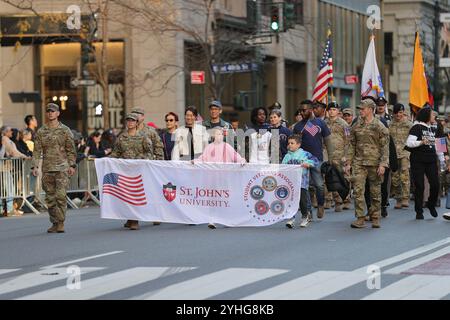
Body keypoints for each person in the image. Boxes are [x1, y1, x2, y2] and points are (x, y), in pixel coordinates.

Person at [344, 99, 389, 229]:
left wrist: (383, 164)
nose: (360, 111)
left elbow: (385, 147)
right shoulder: (356, 125)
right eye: (360, 109)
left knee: (375, 192)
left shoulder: (379, 126)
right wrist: (348, 163)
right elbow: (351, 145)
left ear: (370, 109)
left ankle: (375, 217)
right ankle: (360, 218)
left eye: (363, 109)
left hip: (375, 163)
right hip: (359, 163)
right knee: (358, 191)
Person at [32, 103, 77, 233]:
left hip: (62, 169)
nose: (50, 113)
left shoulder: (65, 130)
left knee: (61, 196)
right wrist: (35, 166)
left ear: (58, 113)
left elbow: (71, 150)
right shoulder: (41, 131)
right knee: (50, 198)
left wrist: (72, 165)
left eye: (53, 111)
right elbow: (37, 150)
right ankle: (54, 222)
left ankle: (61, 222)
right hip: (47, 169)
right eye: (48, 111)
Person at [194, 128, 246, 229]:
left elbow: (236, 156)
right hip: (212, 178)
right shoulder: (209, 147)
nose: (219, 136)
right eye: (217, 134)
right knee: (213, 199)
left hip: (225, 178)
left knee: (226, 198)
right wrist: (195, 161)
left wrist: (242, 160)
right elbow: (202, 158)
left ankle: (228, 219)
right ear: (213, 136)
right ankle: (212, 220)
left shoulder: (227, 147)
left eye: (221, 134)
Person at [110, 113, 154, 230]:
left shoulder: (143, 137)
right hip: (125, 171)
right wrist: (108, 160)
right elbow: (116, 152)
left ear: (136, 123)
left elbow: (149, 153)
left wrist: (141, 160)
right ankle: (130, 218)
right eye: (128, 121)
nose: (130, 123)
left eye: (132, 121)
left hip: (138, 171)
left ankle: (135, 220)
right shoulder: (121, 137)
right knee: (126, 195)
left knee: (135, 195)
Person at [293, 100, 334, 219]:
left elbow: (328, 140)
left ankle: (321, 205)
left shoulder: (320, 123)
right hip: (302, 160)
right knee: (304, 187)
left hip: (317, 159)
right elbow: (294, 144)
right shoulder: (298, 126)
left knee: (319, 185)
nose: (301, 112)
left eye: (304, 110)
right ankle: (308, 212)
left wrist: (331, 158)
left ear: (310, 110)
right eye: (300, 110)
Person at [406, 106, 440, 220]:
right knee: (419, 186)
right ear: (426, 116)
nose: (434, 116)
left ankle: (431, 203)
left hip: (431, 160)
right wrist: (421, 142)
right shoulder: (417, 127)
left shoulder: (435, 127)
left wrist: (444, 159)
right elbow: (409, 143)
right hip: (418, 161)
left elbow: (439, 145)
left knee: (435, 184)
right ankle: (419, 211)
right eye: (432, 114)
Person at [284, 134, 320, 228]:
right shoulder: (287, 156)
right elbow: (282, 167)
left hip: (302, 183)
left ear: (298, 145)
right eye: (289, 143)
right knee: (291, 201)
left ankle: (305, 217)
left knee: (302, 201)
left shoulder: (304, 154)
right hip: (290, 183)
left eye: (292, 143)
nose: (290, 145)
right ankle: (291, 218)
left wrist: (308, 163)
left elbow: (315, 161)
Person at [324, 102, 350, 212]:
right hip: (327, 153)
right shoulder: (324, 123)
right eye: (330, 109)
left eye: (334, 109)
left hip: (340, 153)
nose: (331, 111)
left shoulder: (344, 124)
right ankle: (331, 199)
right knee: (328, 176)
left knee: (341, 176)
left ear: (338, 111)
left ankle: (344, 199)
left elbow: (348, 140)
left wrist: (346, 155)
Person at [389, 103, 413, 209]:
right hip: (393, 154)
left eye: (400, 112)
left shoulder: (409, 124)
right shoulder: (390, 124)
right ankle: (398, 198)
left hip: (405, 153)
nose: (398, 115)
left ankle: (405, 198)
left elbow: (413, 139)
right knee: (395, 177)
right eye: (396, 112)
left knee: (405, 176)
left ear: (403, 112)